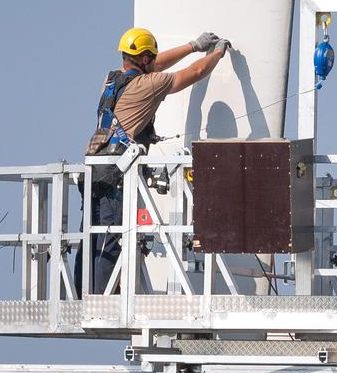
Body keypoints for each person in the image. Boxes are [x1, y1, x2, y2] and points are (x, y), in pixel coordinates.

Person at [75, 27, 230, 295]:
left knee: (90, 234)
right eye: (151, 58)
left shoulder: (111, 81)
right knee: (109, 237)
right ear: (145, 58)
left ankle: (82, 293)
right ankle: (99, 297)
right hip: (115, 174)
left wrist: (193, 45)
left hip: (93, 170)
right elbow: (193, 74)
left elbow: (154, 65)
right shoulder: (150, 85)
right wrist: (216, 54)